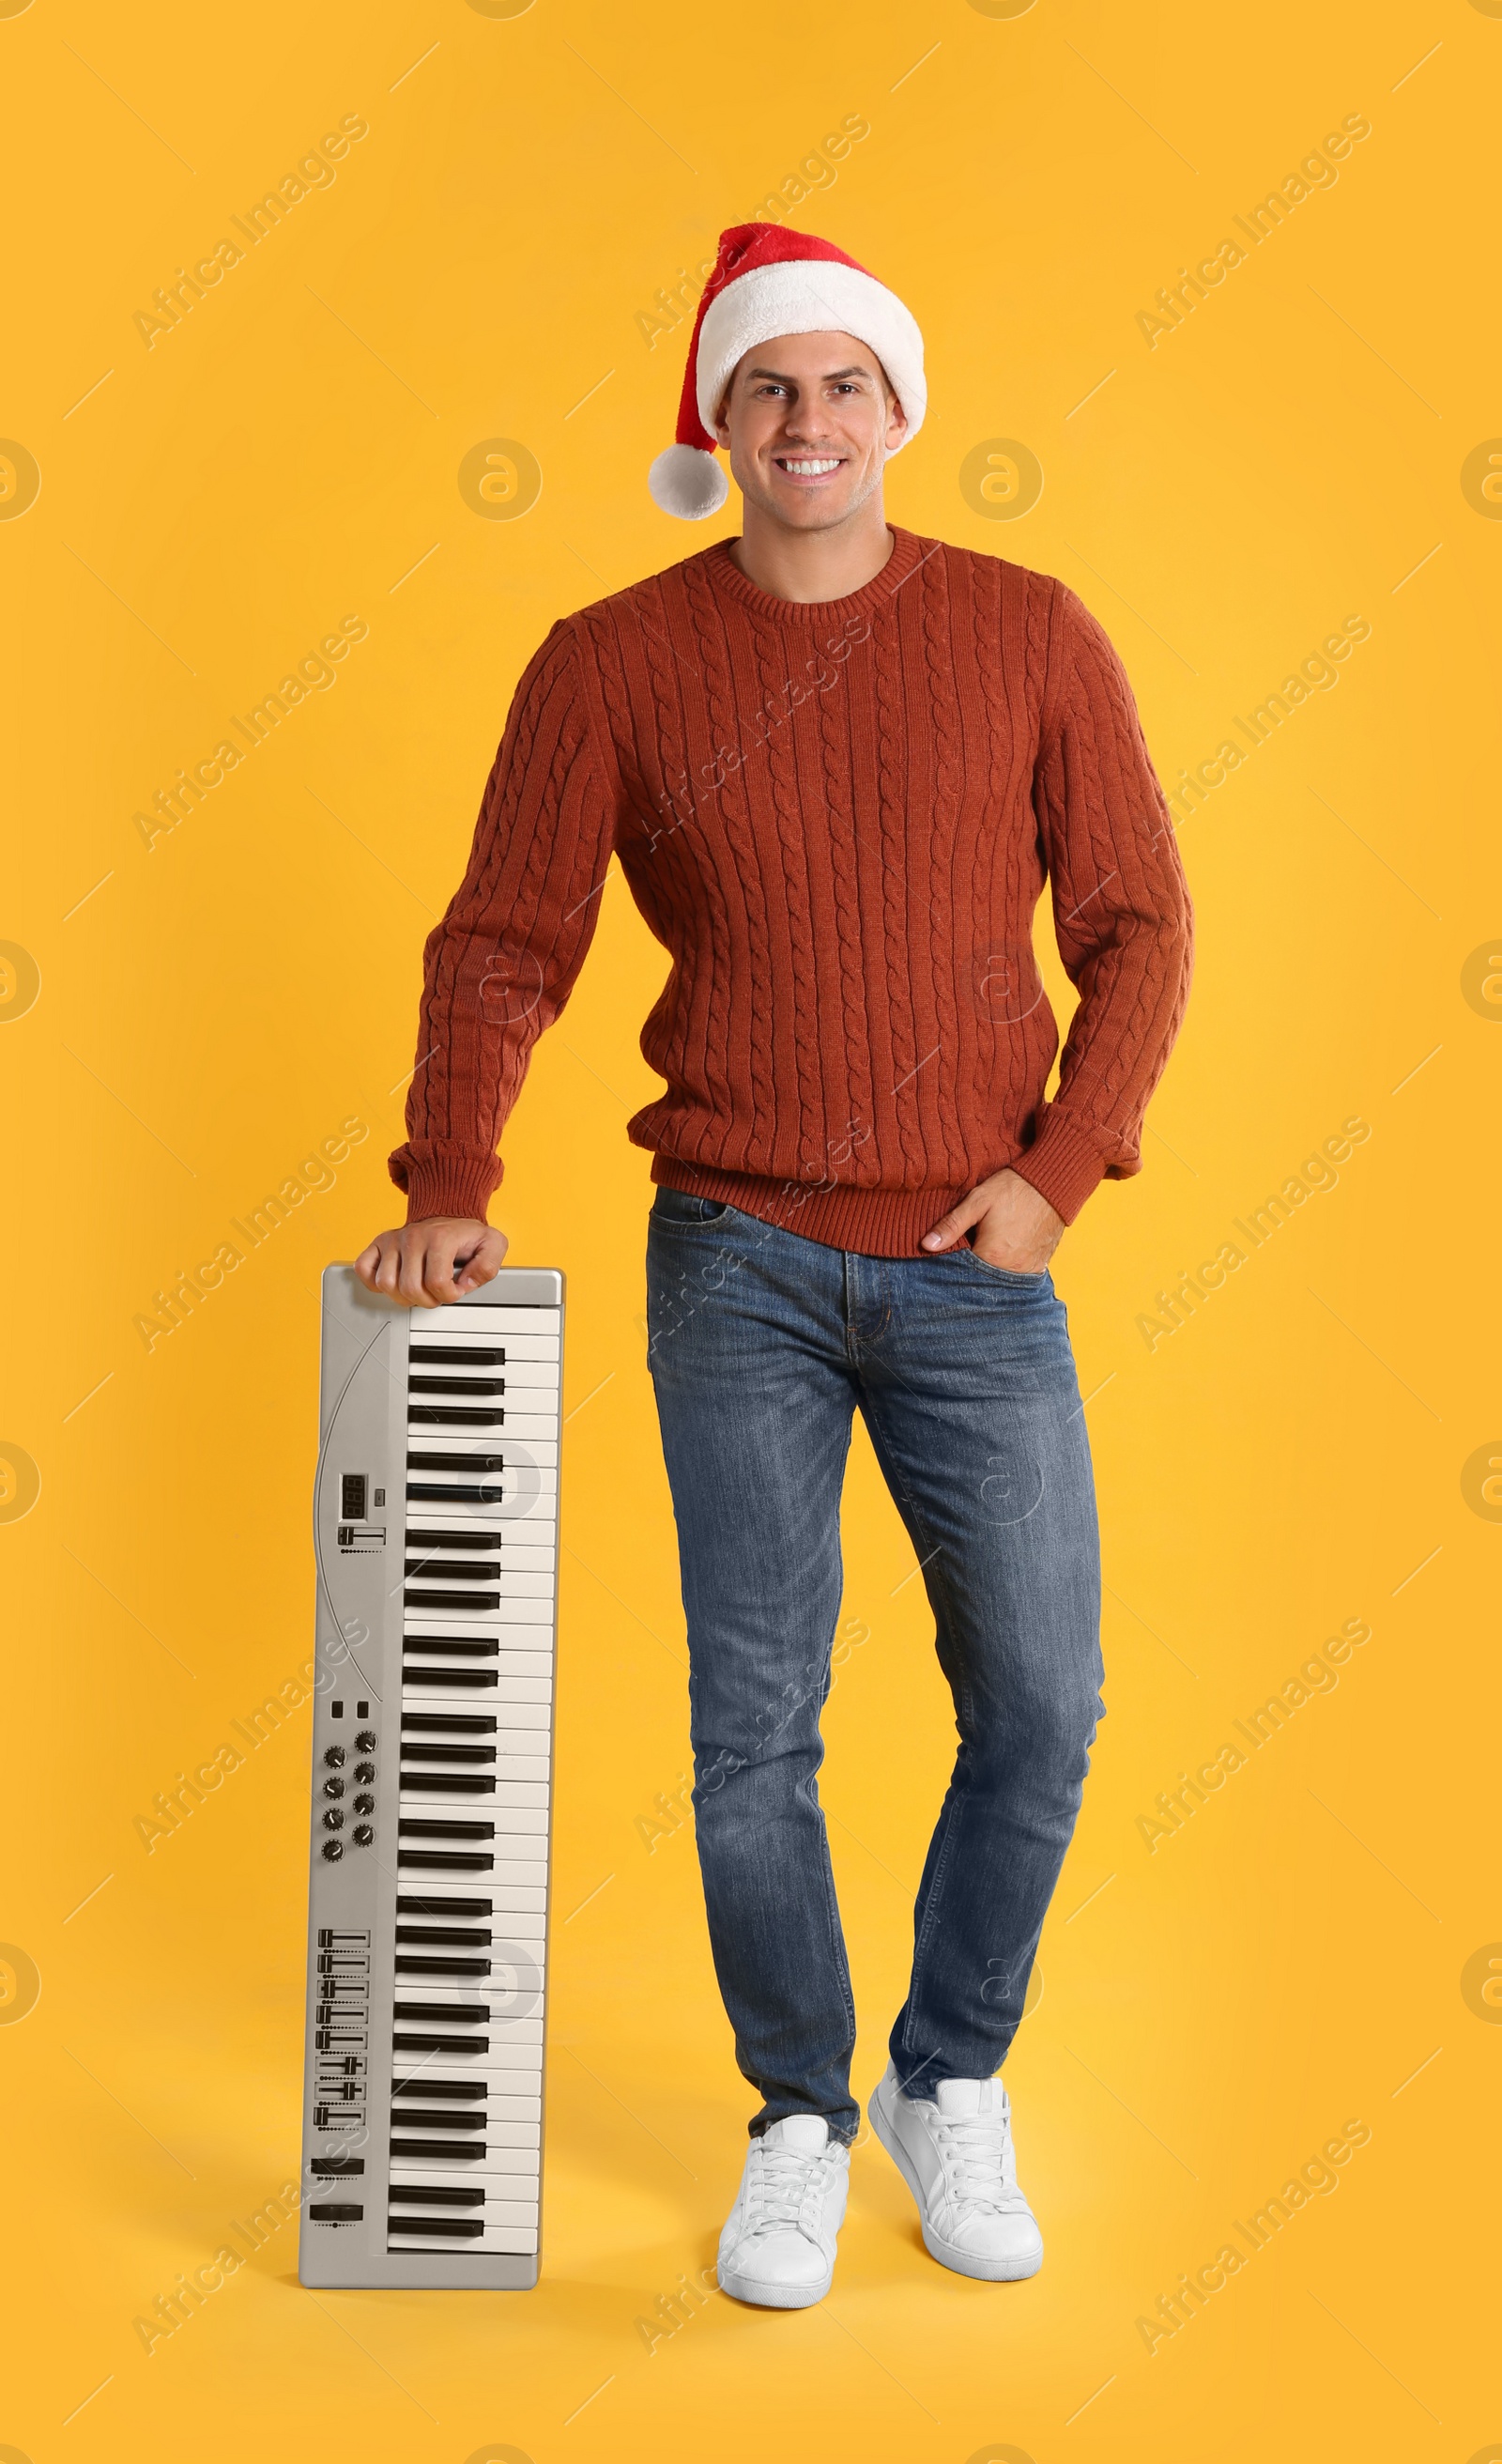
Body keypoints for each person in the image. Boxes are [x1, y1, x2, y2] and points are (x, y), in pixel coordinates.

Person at [357, 221, 1193, 2308]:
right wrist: (451, 1167)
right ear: (713, 423)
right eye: (764, 388)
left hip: (970, 1253)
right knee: (756, 1728)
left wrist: (1062, 1169)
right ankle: (799, 2114)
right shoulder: (608, 661)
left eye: (840, 385)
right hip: (724, 1251)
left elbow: (1140, 921)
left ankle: (950, 2072)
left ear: (897, 413)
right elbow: (500, 935)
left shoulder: (1026, 631)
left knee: (1042, 1701)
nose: (804, 422)